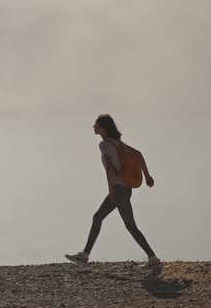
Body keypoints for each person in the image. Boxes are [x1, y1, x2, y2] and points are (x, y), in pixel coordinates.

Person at [66, 114, 162, 269]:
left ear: (102, 128)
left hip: (118, 190)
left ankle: (153, 259)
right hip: (126, 189)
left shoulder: (104, 145)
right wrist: (147, 176)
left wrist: (111, 191)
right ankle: (152, 258)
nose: (93, 127)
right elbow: (138, 154)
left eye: (96, 125)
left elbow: (110, 170)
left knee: (107, 220)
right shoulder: (118, 143)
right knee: (118, 222)